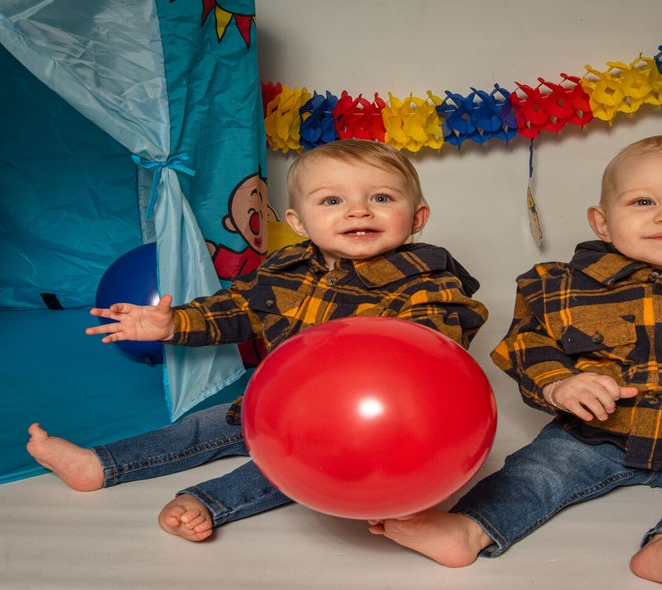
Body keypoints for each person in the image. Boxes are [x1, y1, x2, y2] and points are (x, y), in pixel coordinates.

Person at [370, 133, 662, 588]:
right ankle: (471, 528)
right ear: (602, 222)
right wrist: (559, 382)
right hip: (596, 432)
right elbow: (527, 343)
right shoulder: (562, 286)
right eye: (643, 202)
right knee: (536, 470)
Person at [27, 139, 489, 542]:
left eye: (381, 197)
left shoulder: (426, 283)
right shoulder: (286, 271)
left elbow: (435, 346)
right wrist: (172, 324)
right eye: (331, 200)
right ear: (299, 222)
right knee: (197, 427)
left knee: (282, 468)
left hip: (355, 430)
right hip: (274, 405)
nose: (358, 211)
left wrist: (400, 356)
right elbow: (236, 310)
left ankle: (207, 502)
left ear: (417, 217)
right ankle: (101, 464)